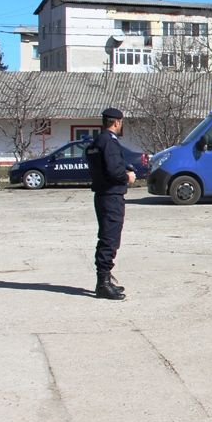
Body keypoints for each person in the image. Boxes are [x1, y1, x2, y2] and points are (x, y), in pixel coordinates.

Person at [85, 107, 136, 300]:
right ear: (117, 122)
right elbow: (114, 171)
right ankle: (103, 284)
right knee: (110, 239)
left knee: (106, 236)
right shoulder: (110, 142)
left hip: (102, 194)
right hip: (111, 196)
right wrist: (127, 176)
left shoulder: (96, 141)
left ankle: (105, 278)